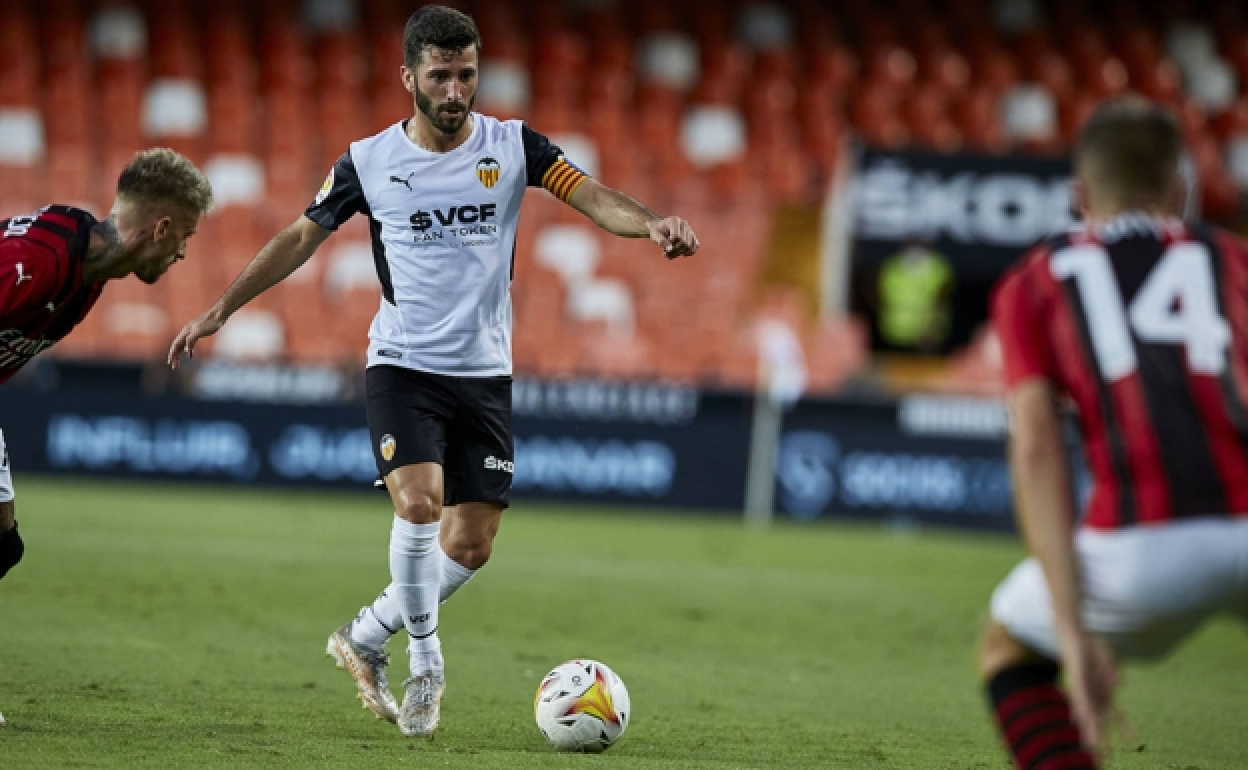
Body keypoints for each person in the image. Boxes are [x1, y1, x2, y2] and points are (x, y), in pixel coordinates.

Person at [167, 5, 699, 738]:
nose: (456, 91)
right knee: (419, 505)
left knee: (471, 544)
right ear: (408, 76)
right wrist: (221, 309)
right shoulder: (368, 160)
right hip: (403, 365)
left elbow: (592, 196)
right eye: (441, 75)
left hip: (484, 374)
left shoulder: (513, 146)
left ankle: (364, 635)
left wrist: (651, 224)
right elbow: (299, 237)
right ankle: (426, 664)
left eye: (467, 74)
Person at [980, 97, 1248, 770]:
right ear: (1181, 190)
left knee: (1007, 649)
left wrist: (1073, 636)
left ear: (1078, 196)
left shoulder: (1034, 282)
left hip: (1144, 545)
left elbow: (1038, 447)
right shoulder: (1235, 260)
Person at [0, 148, 212, 582]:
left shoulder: (88, 271)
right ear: (161, 229)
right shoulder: (37, 265)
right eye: (185, 237)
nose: (184, 254)